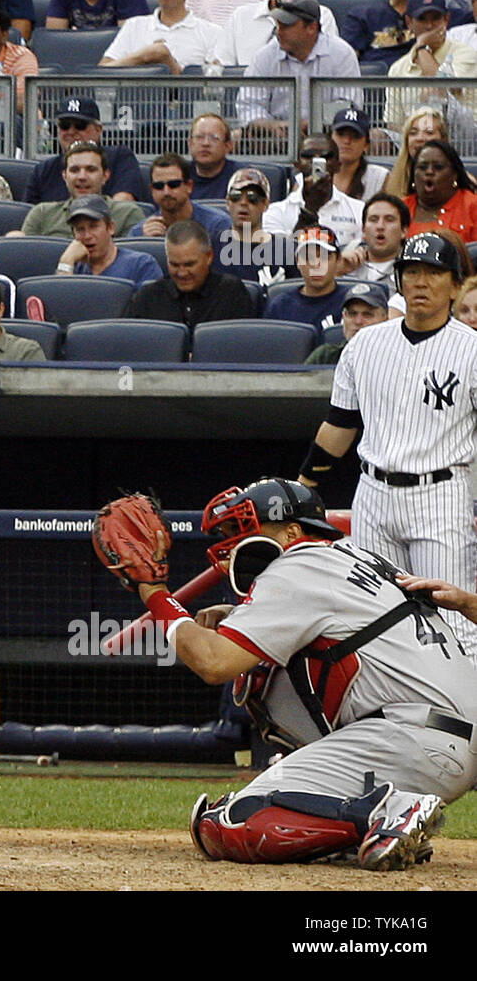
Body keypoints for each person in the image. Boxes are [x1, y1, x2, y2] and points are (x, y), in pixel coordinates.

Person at [112, 477, 477, 869]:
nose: (234, 541)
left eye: (245, 527)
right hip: (440, 738)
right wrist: (239, 616)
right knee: (271, 661)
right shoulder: (355, 559)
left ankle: (383, 813)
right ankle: (359, 812)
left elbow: (213, 663)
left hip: (413, 740)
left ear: (292, 531)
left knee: (230, 822)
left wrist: (154, 591)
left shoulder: (298, 564)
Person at [300, 230, 477, 658]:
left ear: (455, 285)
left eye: (433, 273)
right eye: (411, 271)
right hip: (373, 495)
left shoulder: (471, 349)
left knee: (453, 625)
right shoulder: (365, 344)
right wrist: (304, 487)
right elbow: (339, 426)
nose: (420, 281)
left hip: (441, 496)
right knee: (374, 625)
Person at [236, 0, 361, 147]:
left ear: (311, 27)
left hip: (328, 139)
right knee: (236, 136)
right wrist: (271, 125)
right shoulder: (265, 55)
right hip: (274, 140)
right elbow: (248, 104)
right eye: (278, 25)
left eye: (287, 26)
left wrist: (314, 124)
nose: (278, 31)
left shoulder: (341, 53)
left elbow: (348, 107)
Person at [99, 0, 224, 74]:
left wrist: (165, 59)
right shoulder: (134, 25)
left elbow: (214, 83)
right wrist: (144, 56)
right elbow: (102, 72)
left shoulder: (211, 32)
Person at [123, 219, 254, 329]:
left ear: (209, 257)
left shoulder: (231, 293)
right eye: (174, 264)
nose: (182, 273)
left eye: (189, 264)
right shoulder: (147, 297)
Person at [384, 0, 477, 132]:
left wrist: (422, 47)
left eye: (435, 18)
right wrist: (415, 137)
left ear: (446, 19)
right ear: (409, 22)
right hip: (414, 139)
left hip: (463, 137)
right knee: (377, 136)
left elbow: (442, 89)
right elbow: (394, 123)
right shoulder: (398, 67)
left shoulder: (465, 53)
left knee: (432, 92)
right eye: (422, 19)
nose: (429, 26)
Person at [25, 96, 147, 204]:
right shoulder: (43, 170)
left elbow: (124, 203)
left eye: (80, 125)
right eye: (65, 126)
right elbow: (29, 217)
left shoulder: (120, 157)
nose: (71, 132)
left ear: (98, 129)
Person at [263, 133, 366, 252]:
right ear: (297, 165)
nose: (316, 161)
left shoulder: (359, 210)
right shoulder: (275, 213)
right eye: (308, 156)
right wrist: (309, 211)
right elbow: (280, 258)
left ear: (338, 166)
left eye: (326, 156)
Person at [19, 142, 147, 236]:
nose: (82, 177)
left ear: (105, 176)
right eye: (74, 170)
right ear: (64, 176)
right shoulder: (41, 214)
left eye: (91, 170)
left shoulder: (128, 214)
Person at [126, 152, 234, 248]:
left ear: (189, 186)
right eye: (159, 186)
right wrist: (147, 244)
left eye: (174, 185)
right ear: (152, 190)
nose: (166, 192)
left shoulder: (218, 226)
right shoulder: (138, 234)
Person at [54, 194, 163, 287]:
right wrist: (66, 262)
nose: (87, 236)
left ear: (110, 227)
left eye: (93, 226)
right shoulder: (72, 266)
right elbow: (60, 307)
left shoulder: (141, 264)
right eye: (80, 229)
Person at [261, 224, 349, 332]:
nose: (316, 264)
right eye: (308, 257)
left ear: (338, 260)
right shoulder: (281, 306)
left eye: (324, 257)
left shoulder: (352, 302)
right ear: (297, 261)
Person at [217, 167, 296, 285]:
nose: (243, 203)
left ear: (266, 204)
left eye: (253, 197)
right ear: (228, 202)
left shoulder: (289, 251)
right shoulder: (210, 247)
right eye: (236, 196)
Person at [405, 138, 477, 246]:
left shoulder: (472, 206)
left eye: (438, 167)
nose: (429, 172)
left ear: (454, 175)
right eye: (422, 167)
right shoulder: (400, 208)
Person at [305, 280, 391, 363]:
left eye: (367, 315)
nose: (358, 321)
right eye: (352, 314)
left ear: (385, 320)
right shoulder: (324, 357)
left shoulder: (396, 357)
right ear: (343, 317)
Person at [184, 113, 240, 198]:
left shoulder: (241, 177)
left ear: (228, 146)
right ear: (190, 143)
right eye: (199, 137)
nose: (205, 143)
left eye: (214, 138)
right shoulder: (178, 176)